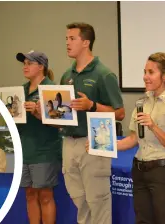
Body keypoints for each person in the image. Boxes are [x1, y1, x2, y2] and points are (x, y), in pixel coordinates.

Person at [60, 22, 125, 224]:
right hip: (69, 141)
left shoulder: (103, 74)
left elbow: (120, 113)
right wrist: (46, 113)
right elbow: (62, 112)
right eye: (66, 39)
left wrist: (92, 105)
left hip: (96, 140)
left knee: (98, 200)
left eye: (72, 39)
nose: (67, 43)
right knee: (79, 199)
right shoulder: (66, 76)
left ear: (86, 42)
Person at [116, 52, 165, 224]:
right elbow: (133, 139)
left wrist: (153, 126)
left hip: (163, 173)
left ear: (164, 76)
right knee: (142, 220)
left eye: (151, 72)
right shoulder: (142, 103)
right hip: (140, 171)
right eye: (144, 72)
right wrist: (105, 145)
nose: (145, 77)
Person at [15, 51, 62, 224]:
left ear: (41, 67)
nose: (25, 67)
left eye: (29, 63)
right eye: (24, 63)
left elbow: (60, 123)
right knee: (29, 194)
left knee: (45, 195)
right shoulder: (20, 91)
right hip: (24, 150)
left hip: (44, 151)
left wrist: (38, 112)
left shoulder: (52, 90)